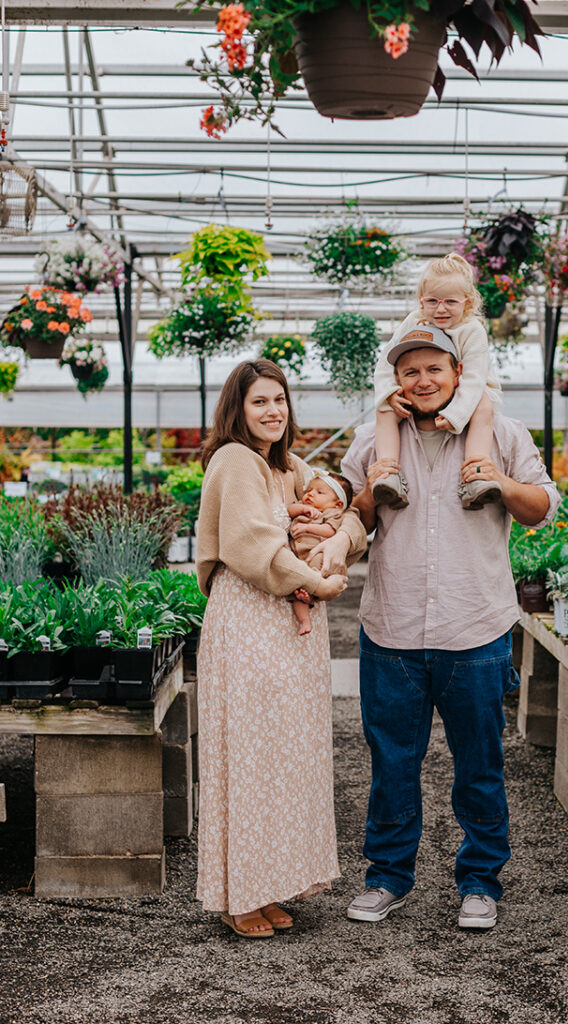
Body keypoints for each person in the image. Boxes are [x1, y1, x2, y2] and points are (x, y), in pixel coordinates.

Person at [341, 325, 560, 930]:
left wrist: (501, 485)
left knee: (481, 765)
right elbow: (354, 515)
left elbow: (543, 507)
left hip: (476, 629)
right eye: (410, 371)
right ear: (398, 380)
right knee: (391, 765)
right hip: (394, 630)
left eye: (434, 368)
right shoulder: (373, 439)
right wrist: (352, 506)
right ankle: (387, 877)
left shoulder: (503, 433)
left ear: (457, 372)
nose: (423, 380)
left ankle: (480, 882)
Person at [195, 359, 367, 938]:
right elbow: (253, 544)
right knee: (247, 756)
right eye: (259, 402)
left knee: (282, 758)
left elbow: (347, 515)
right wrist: (317, 581)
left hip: (288, 630)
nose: (273, 411)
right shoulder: (234, 461)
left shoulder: (289, 467)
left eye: (280, 400)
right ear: (237, 411)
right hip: (247, 621)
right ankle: (239, 894)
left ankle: (268, 884)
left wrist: (337, 540)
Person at [372, 252, 503, 511]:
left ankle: (476, 476)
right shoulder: (414, 320)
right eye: (432, 301)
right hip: (430, 392)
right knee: (384, 411)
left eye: (450, 302)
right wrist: (389, 393)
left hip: (470, 393)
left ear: (466, 303)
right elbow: (386, 362)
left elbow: (475, 377)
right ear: (422, 301)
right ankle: (388, 475)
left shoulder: (472, 329)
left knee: (484, 407)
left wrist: (456, 413)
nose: (440, 309)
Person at [287, 469, 353, 636]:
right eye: (309, 490)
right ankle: (304, 620)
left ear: (337, 504)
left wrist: (308, 527)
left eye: (319, 492)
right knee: (296, 591)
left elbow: (329, 531)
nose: (310, 494)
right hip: (298, 558)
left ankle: (310, 597)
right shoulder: (304, 508)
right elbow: (287, 510)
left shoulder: (333, 513)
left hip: (318, 556)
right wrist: (300, 508)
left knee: (312, 580)